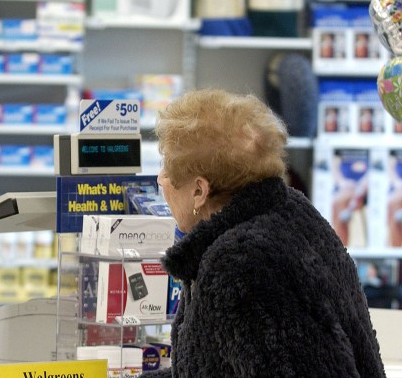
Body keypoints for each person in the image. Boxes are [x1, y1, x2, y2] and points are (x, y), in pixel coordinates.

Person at [145, 89, 385, 377]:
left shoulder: (237, 264)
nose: (161, 180)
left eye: (167, 169)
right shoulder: (291, 211)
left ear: (199, 190)